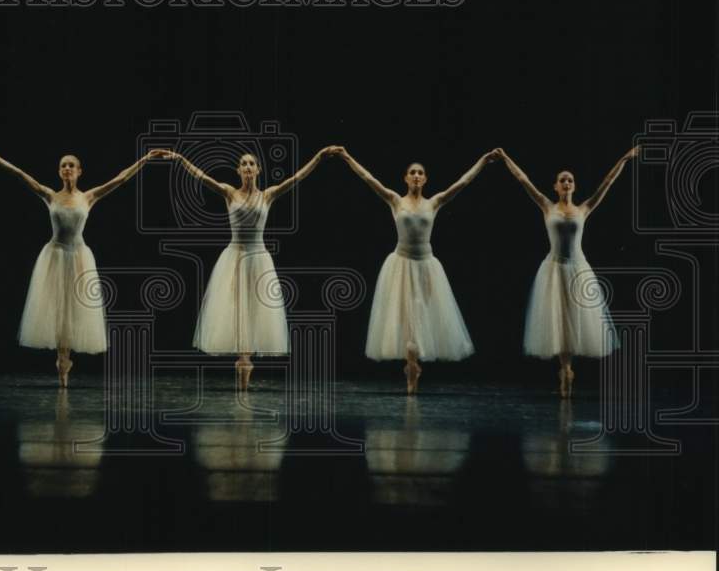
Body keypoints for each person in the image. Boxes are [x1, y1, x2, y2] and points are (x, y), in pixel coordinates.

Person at [0, 148, 166, 387]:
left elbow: (120, 179)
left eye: (71, 165)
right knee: (58, 309)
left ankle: (65, 362)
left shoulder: (88, 197)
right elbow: (19, 174)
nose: (66, 168)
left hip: (78, 256)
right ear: (59, 172)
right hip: (55, 256)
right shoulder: (50, 196)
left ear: (79, 171)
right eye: (63, 165)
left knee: (73, 310)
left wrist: (145, 159)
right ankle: (61, 361)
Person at [166, 147, 335, 389]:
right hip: (234, 256)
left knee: (255, 309)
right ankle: (243, 361)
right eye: (243, 164)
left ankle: (245, 362)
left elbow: (297, 178)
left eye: (251, 164)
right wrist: (181, 159)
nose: (247, 167)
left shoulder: (268, 195)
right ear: (238, 170)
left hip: (258, 257)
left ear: (258, 170)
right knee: (236, 309)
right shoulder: (229, 192)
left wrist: (317, 157)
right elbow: (201, 176)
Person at [338, 147, 498, 393]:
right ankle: (411, 367)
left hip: (426, 265)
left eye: (420, 173)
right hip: (401, 265)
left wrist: (482, 161)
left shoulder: (433, 203)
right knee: (408, 318)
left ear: (425, 179)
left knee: (421, 314)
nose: (415, 176)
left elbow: (462, 182)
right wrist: (347, 157)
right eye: (412, 172)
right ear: (405, 178)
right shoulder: (395, 200)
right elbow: (368, 178)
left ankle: (413, 365)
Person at [497, 146, 638, 397]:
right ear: (555, 186)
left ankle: (568, 370)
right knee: (559, 321)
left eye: (570, 180)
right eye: (562, 180)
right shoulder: (546, 206)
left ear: (574, 186)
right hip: (553, 269)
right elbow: (523, 180)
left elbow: (607, 182)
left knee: (575, 320)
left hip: (577, 268)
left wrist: (625, 159)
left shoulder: (584, 208)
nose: (566, 183)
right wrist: (507, 158)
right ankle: (566, 370)